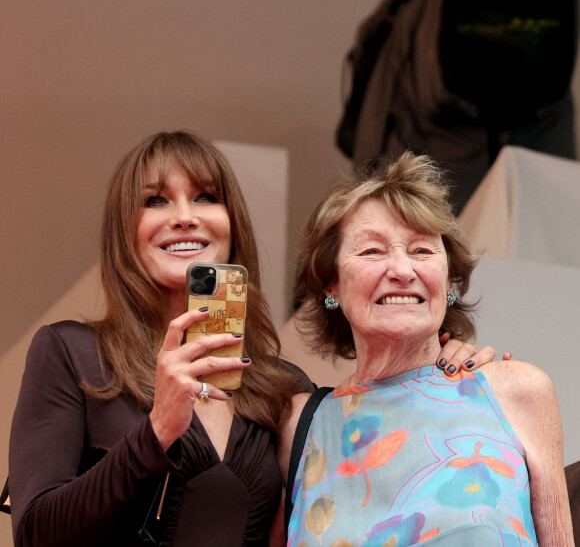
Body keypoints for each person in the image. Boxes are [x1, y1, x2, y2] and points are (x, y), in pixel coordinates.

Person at [8, 131, 504, 547]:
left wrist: (447, 368)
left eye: (206, 197)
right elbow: (34, 533)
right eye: (156, 200)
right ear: (125, 231)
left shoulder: (282, 389)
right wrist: (156, 430)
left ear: (232, 223)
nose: (185, 216)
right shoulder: (72, 354)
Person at [277, 152, 573, 546]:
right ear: (332, 286)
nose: (402, 270)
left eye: (421, 251)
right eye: (372, 251)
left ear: (449, 281)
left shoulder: (516, 392)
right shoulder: (300, 426)